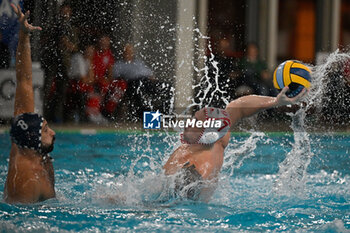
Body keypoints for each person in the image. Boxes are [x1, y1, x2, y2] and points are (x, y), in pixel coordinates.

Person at [163, 86, 307, 202]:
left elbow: (238, 107)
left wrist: (276, 102)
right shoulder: (197, 168)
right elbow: (176, 204)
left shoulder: (207, 142)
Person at [3, 4, 56, 204]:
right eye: (45, 130)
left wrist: (24, 36)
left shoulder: (24, 143)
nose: (52, 133)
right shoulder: (26, 182)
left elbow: (24, 81)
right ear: (32, 140)